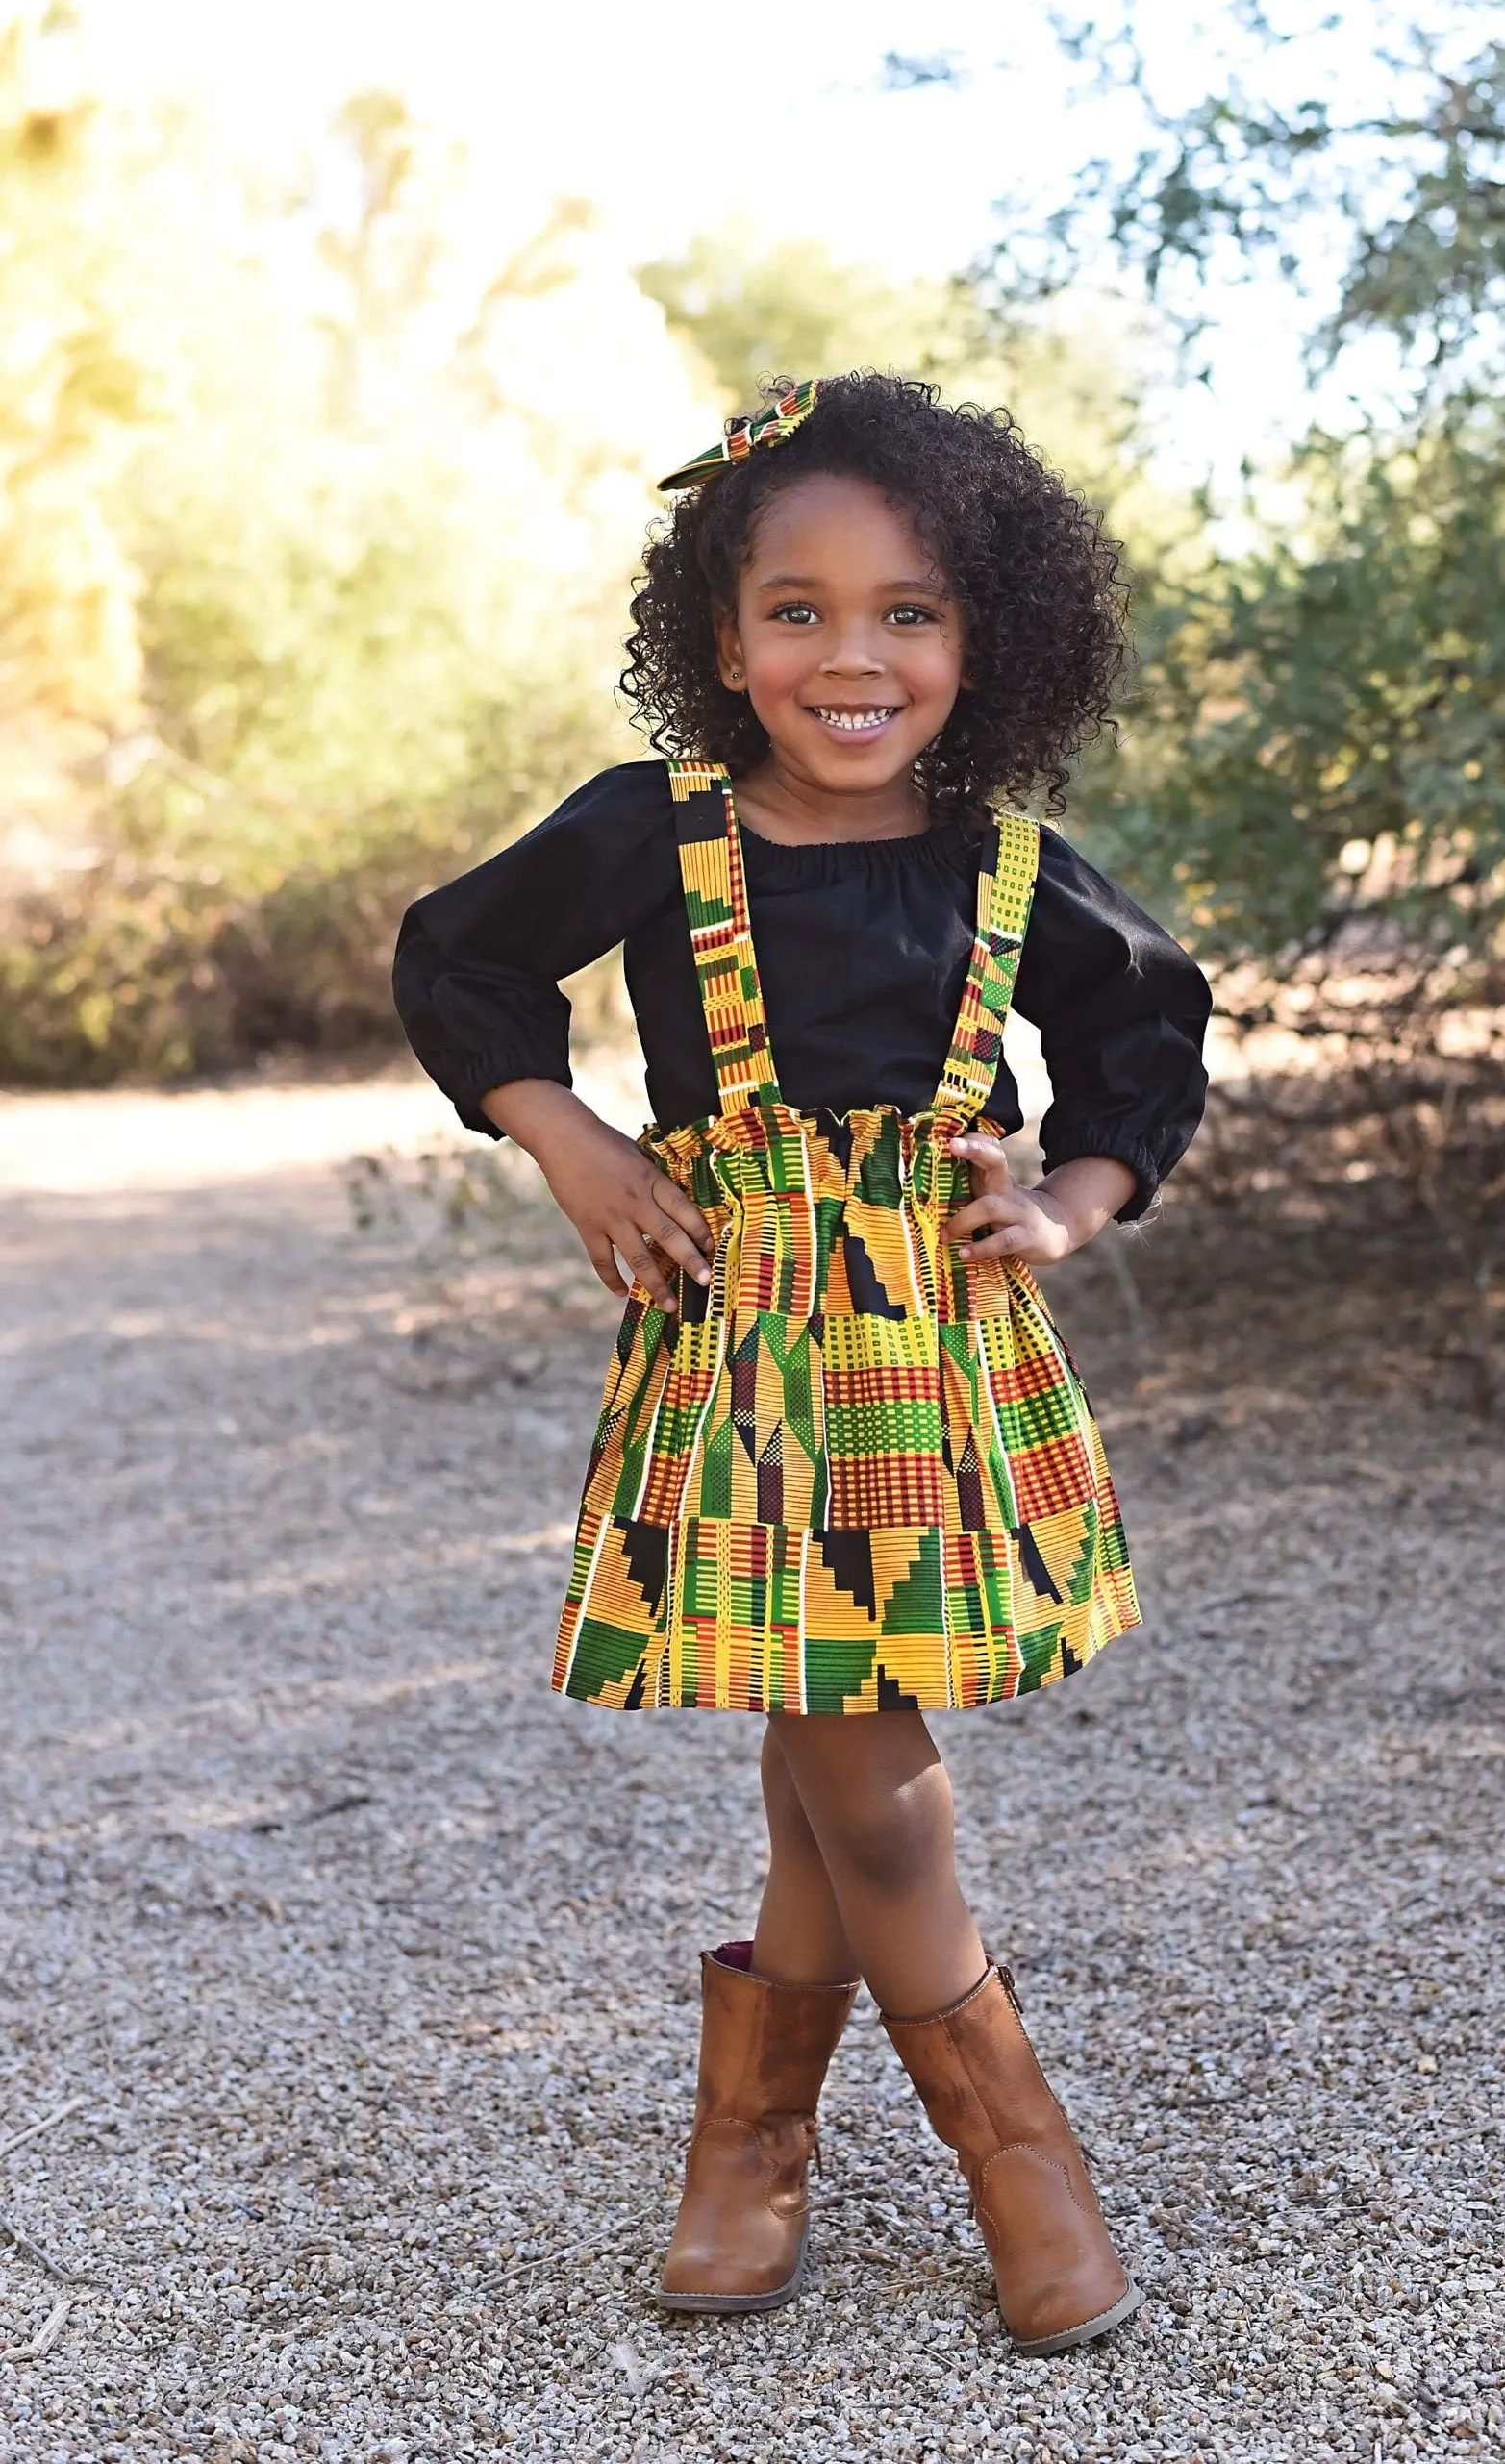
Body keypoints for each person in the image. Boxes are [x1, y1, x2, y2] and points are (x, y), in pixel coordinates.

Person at [393, 372, 1209, 2356]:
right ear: (719, 634)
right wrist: (572, 1139)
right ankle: (1009, 2139)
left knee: (836, 1771)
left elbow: (1149, 1035)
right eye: (799, 611)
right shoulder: (646, 836)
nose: (851, 657)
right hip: (742, 1354)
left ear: (982, 638)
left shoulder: (1003, 866)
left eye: (907, 613)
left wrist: (1073, 1200)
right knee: (872, 1772)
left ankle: (751, 2149)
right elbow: (456, 958)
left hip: (927, 1361)